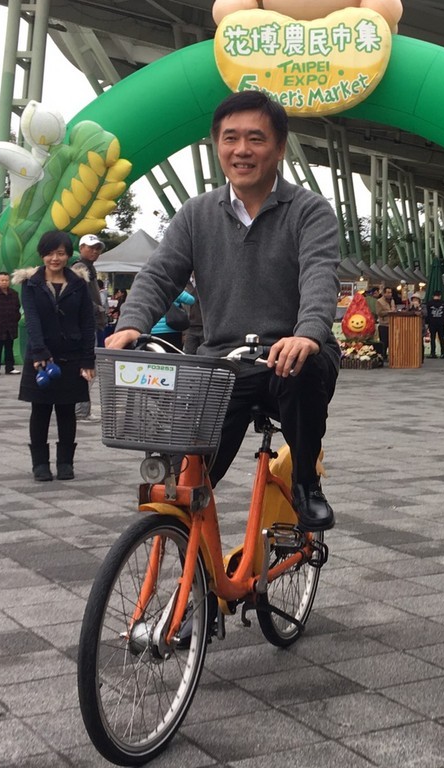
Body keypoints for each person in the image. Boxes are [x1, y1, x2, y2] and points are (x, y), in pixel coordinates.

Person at [106, 90, 339, 532]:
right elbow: (159, 274)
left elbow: (319, 275)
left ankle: (307, 483)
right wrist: (131, 325)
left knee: (301, 371)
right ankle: (189, 553)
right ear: (217, 146)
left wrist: (308, 333)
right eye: (230, 138)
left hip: (289, 357)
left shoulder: (309, 211)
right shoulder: (196, 214)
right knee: (190, 481)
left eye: (256, 138)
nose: (242, 150)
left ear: (279, 148)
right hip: (224, 363)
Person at [15, 231, 96, 481]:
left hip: (71, 355)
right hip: (40, 356)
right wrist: (39, 350)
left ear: (68, 255)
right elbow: (32, 319)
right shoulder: (31, 283)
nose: (55, 258)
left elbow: (87, 322)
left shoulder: (79, 283)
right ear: (42, 255)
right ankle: (40, 464)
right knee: (40, 411)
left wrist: (88, 360)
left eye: (60, 253)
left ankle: (65, 463)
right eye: (50, 253)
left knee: (66, 411)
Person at [75, 234, 108, 420]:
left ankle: (81, 409)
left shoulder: (89, 267)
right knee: (87, 368)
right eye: (91, 247)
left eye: (97, 248)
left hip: (92, 323)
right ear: (81, 248)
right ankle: (80, 410)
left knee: (88, 367)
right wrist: (98, 308)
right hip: (86, 325)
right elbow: (79, 296)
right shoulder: (80, 268)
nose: (95, 251)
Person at [183, 278, 204, 354]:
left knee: (205, 355)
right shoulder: (185, 284)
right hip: (191, 327)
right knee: (188, 354)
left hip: (205, 328)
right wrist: (184, 332)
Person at [425, 289, 444, 357]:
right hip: (441, 323)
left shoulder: (429, 303)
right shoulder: (443, 303)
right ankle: (443, 353)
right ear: (440, 296)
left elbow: (427, 314)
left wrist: (427, 322)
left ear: (433, 296)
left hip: (432, 323)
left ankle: (433, 353)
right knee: (441, 338)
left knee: (432, 338)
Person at [375, 285, 397, 352]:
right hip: (384, 325)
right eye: (388, 292)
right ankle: (383, 355)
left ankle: (391, 355)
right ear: (384, 293)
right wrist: (389, 312)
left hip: (392, 325)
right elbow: (379, 313)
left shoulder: (392, 301)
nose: (390, 294)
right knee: (384, 343)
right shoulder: (379, 301)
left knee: (392, 343)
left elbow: (394, 308)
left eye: (391, 292)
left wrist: (395, 311)